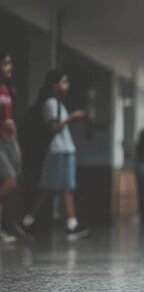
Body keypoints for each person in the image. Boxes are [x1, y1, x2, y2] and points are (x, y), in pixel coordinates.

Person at [21, 70, 91, 241]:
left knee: (66, 187)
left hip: (67, 150)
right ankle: (28, 218)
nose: (67, 86)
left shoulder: (60, 104)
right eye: (64, 82)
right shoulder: (50, 104)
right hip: (56, 151)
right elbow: (53, 128)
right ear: (54, 85)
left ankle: (71, 224)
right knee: (49, 189)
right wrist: (71, 118)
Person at [0, 51, 22, 243]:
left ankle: (4, 226)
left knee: (12, 182)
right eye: (6, 63)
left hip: (9, 140)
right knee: (9, 181)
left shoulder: (6, 89)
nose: (10, 67)